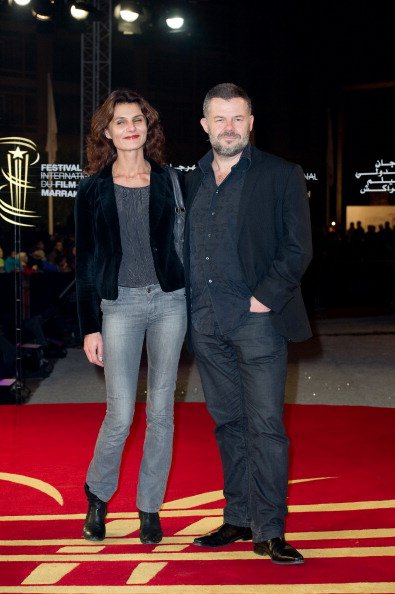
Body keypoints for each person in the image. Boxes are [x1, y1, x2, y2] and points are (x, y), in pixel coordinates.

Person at [184, 83, 313, 564]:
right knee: (228, 425)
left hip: (257, 320)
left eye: (238, 118)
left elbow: (298, 247)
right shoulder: (190, 180)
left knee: (266, 426)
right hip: (206, 321)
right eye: (220, 119)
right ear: (205, 125)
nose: (229, 127)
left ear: (251, 123)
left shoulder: (280, 174)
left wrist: (265, 297)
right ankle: (238, 517)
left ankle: (270, 528)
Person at [74, 89, 187, 544]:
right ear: (107, 131)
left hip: (169, 303)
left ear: (148, 126)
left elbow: (183, 241)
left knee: (162, 413)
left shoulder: (169, 180)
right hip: (117, 305)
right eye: (120, 121)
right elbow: (84, 261)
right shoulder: (92, 188)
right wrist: (89, 327)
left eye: (137, 119)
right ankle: (98, 498)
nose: (130, 128)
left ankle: (149, 509)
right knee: (119, 415)